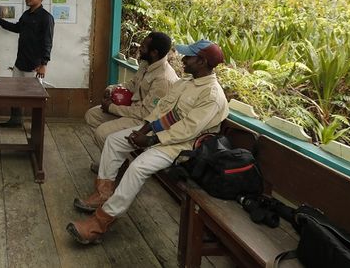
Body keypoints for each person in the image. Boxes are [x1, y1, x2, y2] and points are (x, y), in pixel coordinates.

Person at [67, 39, 229, 245]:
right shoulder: (185, 83)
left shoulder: (212, 95)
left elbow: (188, 129)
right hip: (163, 134)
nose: (183, 60)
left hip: (183, 147)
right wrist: (143, 130)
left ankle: (100, 223)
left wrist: (150, 140)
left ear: (202, 62)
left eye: (189, 57)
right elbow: (162, 110)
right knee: (115, 141)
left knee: (138, 167)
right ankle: (103, 193)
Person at [84, 32, 178, 170]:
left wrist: (110, 108)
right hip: (132, 111)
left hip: (145, 122)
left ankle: (113, 167)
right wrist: (112, 89)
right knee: (92, 115)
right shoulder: (146, 64)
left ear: (154, 53)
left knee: (102, 133)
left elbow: (146, 114)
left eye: (144, 46)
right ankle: (117, 162)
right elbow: (133, 84)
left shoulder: (164, 79)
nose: (140, 48)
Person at [0, 0, 54, 127]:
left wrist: (44, 64)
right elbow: (17, 28)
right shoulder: (26, 14)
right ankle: (15, 120)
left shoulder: (46, 18)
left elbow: (48, 42)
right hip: (20, 62)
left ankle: (37, 128)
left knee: (36, 97)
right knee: (15, 92)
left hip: (35, 66)